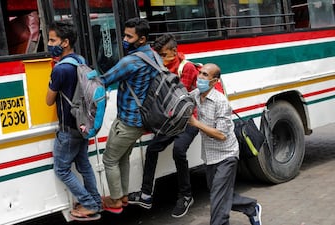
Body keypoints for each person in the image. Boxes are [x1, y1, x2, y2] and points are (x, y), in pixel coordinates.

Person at [127, 33, 199, 218]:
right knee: (152, 149)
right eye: (157, 55)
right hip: (169, 121)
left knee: (179, 151)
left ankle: (186, 195)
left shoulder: (187, 68)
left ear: (174, 52)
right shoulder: (159, 66)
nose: (160, 59)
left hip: (188, 120)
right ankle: (146, 194)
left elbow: (177, 103)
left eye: (163, 54)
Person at [97, 17, 160, 214]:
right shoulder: (153, 55)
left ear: (141, 39)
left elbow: (103, 80)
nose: (124, 39)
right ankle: (123, 195)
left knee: (109, 159)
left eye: (128, 36)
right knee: (122, 157)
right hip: (143, 120)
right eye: (124, 34)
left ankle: (115, 200)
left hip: (128, 121)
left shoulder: (131, 61)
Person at [188, 63, 262, 225]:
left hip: (226, 155)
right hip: (209, 155)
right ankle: (250, 207)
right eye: (200, 73)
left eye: (205, 75)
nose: (200, 77)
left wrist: (195, 123)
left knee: (218, 199)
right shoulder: (195, 95)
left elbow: (221, 135)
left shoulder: (220, 102)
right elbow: (181, 101)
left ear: (214, 82)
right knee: (219, 193)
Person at [45, 21, 102, 221]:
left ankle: (88, 203)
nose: (49, 44)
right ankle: (95, 200)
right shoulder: (80, 61)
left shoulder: (60, 69)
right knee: (84, 165)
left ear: (65, 42)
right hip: (83, 124)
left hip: (69, 128)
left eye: (53, 40)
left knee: (62, 169)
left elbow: (49, 100)